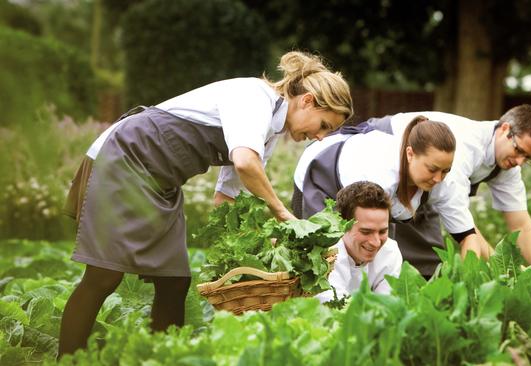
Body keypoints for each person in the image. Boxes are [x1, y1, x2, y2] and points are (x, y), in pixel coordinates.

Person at [58, 51, 353, 357]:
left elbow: (226, 197)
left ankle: (164, 359)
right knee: (104, 276)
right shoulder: (254, 97)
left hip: (161, 184)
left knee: (174, 280)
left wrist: (262, 247)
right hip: (125, 158)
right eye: (324, 125)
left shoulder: (269, 134)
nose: (319, 137)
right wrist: (280, 211)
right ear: (307, 101)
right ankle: (66, 360)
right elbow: (245, 163)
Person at [293, 116, 488, 279]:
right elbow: (370, 235)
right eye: (432, 169)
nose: (438, 178)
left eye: (446, 170)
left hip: (368, 186)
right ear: (410, 154)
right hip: (323, 172)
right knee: (331, 256)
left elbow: (468, 237)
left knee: (383, 253)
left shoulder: (445, 181)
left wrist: (464, 279)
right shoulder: (381, 173)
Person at [366, 104, 531, 267]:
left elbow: (520, 224)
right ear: (504, 129)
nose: (519, 161)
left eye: (528, 158)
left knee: (428, 264)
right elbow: (461, 222)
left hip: (422, 187)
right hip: (375, 156)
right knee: (375, 251)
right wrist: (509, 270)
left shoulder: (509, 164)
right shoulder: (463, 149)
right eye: (518, 150)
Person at [316, 181, 401, 303]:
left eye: (382, 232)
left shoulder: (390, 252)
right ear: (343, 225)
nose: (376, 242)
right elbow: (335, 308)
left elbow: (386, 306)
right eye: (366, 232)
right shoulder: (326, 256)